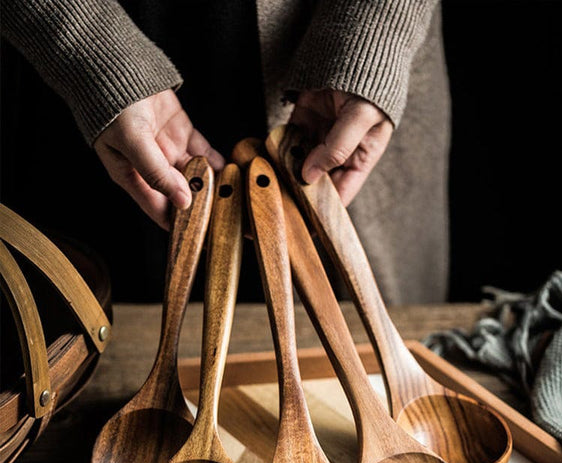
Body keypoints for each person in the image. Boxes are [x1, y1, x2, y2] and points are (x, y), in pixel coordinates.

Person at [1, 0, 450, 304]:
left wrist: (378, 31)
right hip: (93, 78)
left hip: (344, 60)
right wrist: (87, 45)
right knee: (100, 305)